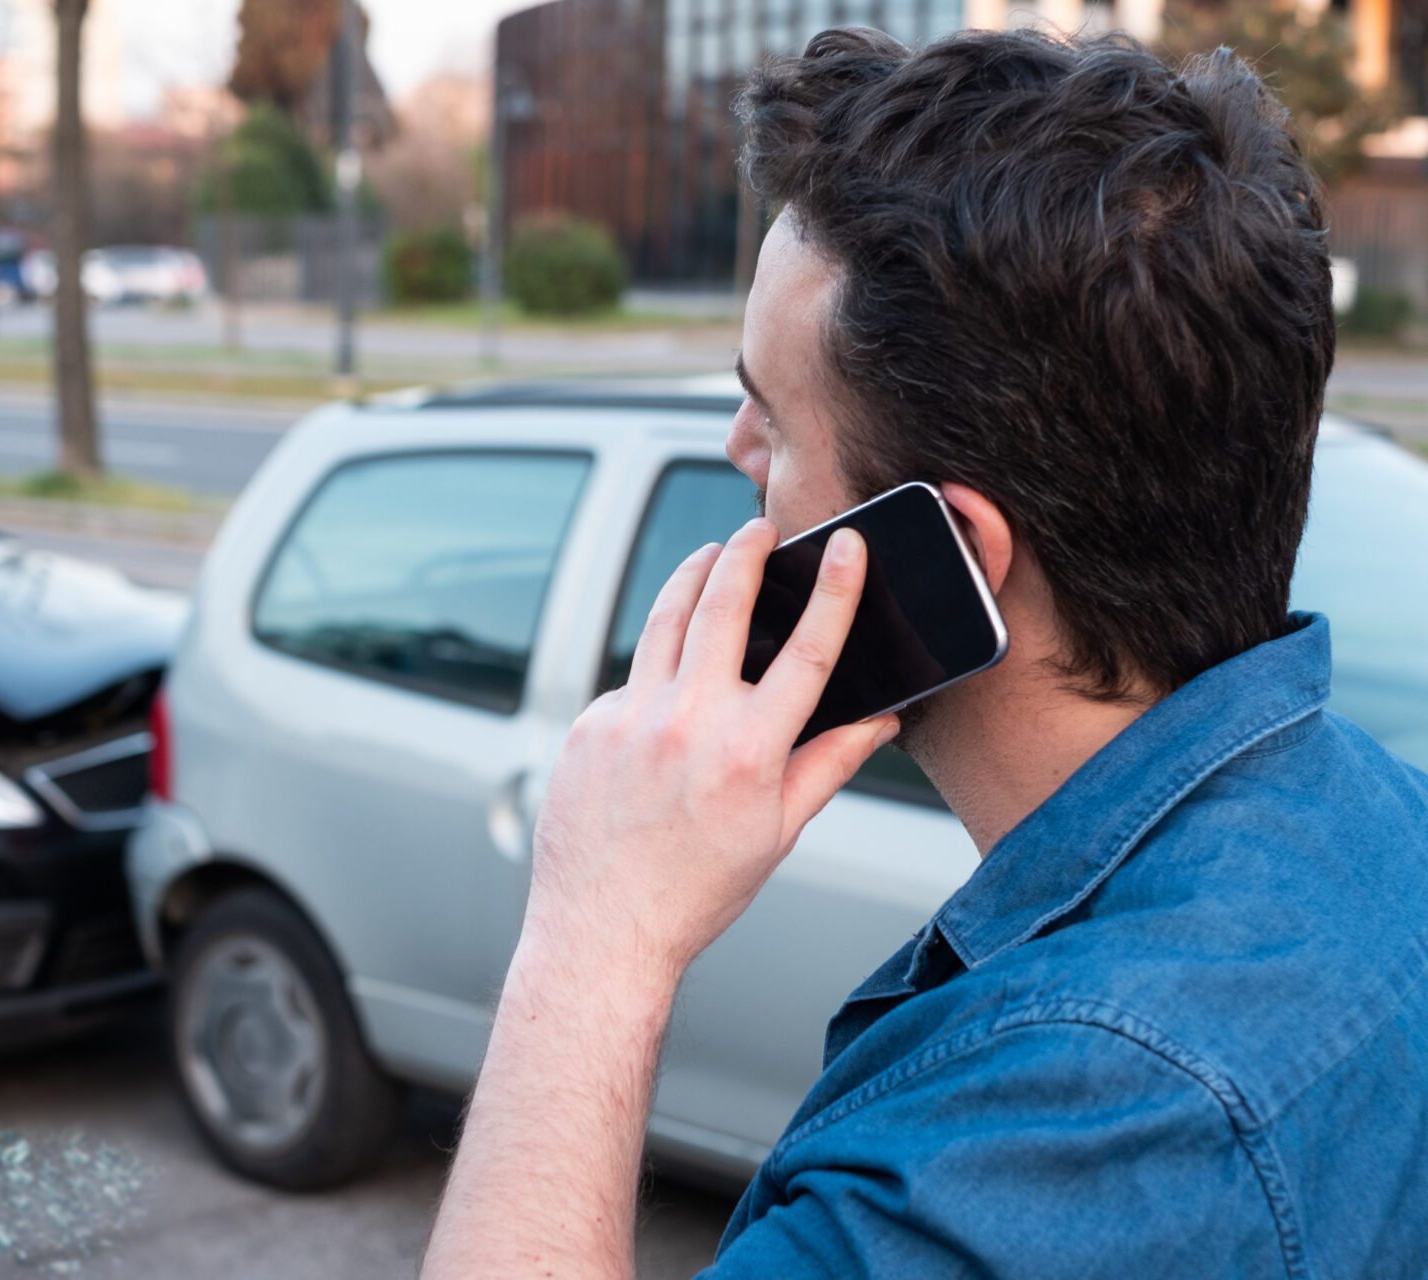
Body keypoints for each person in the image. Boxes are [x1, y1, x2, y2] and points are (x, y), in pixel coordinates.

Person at [422, 26, 1428, 1279]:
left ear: (943, 549)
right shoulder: (1391, 822)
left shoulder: (1041, 1152)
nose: (738, 447)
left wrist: (592, 937)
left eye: (772, 416)